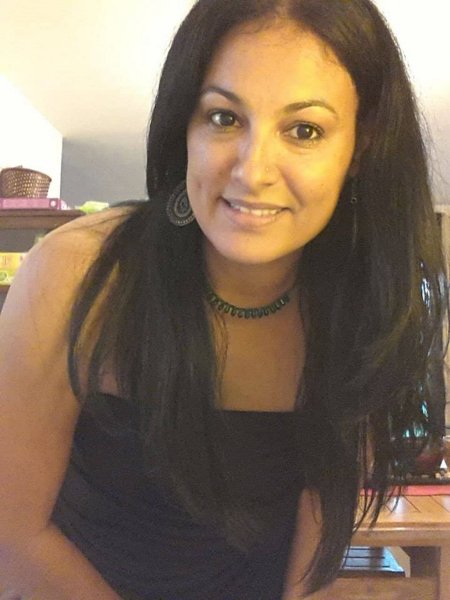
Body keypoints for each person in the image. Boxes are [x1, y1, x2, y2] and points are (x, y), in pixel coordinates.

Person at [0, 0, 447, 598]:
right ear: (184, 125)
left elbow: (318, 516)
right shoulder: (80, 273)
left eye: (304, 130)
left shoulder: (365, 302)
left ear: (359, 148)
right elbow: (14, 534)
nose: (253, 171)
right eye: (224, 118)